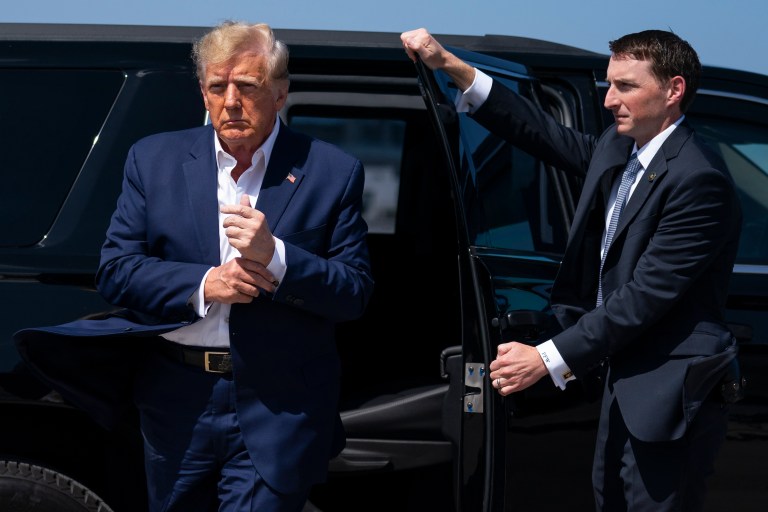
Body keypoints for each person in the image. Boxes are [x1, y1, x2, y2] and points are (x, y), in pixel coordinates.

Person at [16, 21, 374, 512]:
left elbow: (353, 292)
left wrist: (277, 256)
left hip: (278, 401)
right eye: (216, 87)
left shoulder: (332, 170)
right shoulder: (153, 159)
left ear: (280, 92)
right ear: (203, 94)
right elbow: (117, 269)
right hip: (176, 398)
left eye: (246, 86)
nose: (231, 101)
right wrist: (207, 282)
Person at [401, 28, 742, 511]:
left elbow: (643, 297)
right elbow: (541, 131)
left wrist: (545, 358)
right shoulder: (620, 149)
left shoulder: (699, 179)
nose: (608, 100)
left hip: (669, 398)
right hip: (623, 388)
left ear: (674, 90)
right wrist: (452, 67)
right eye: (609, 84)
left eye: (625, 86)